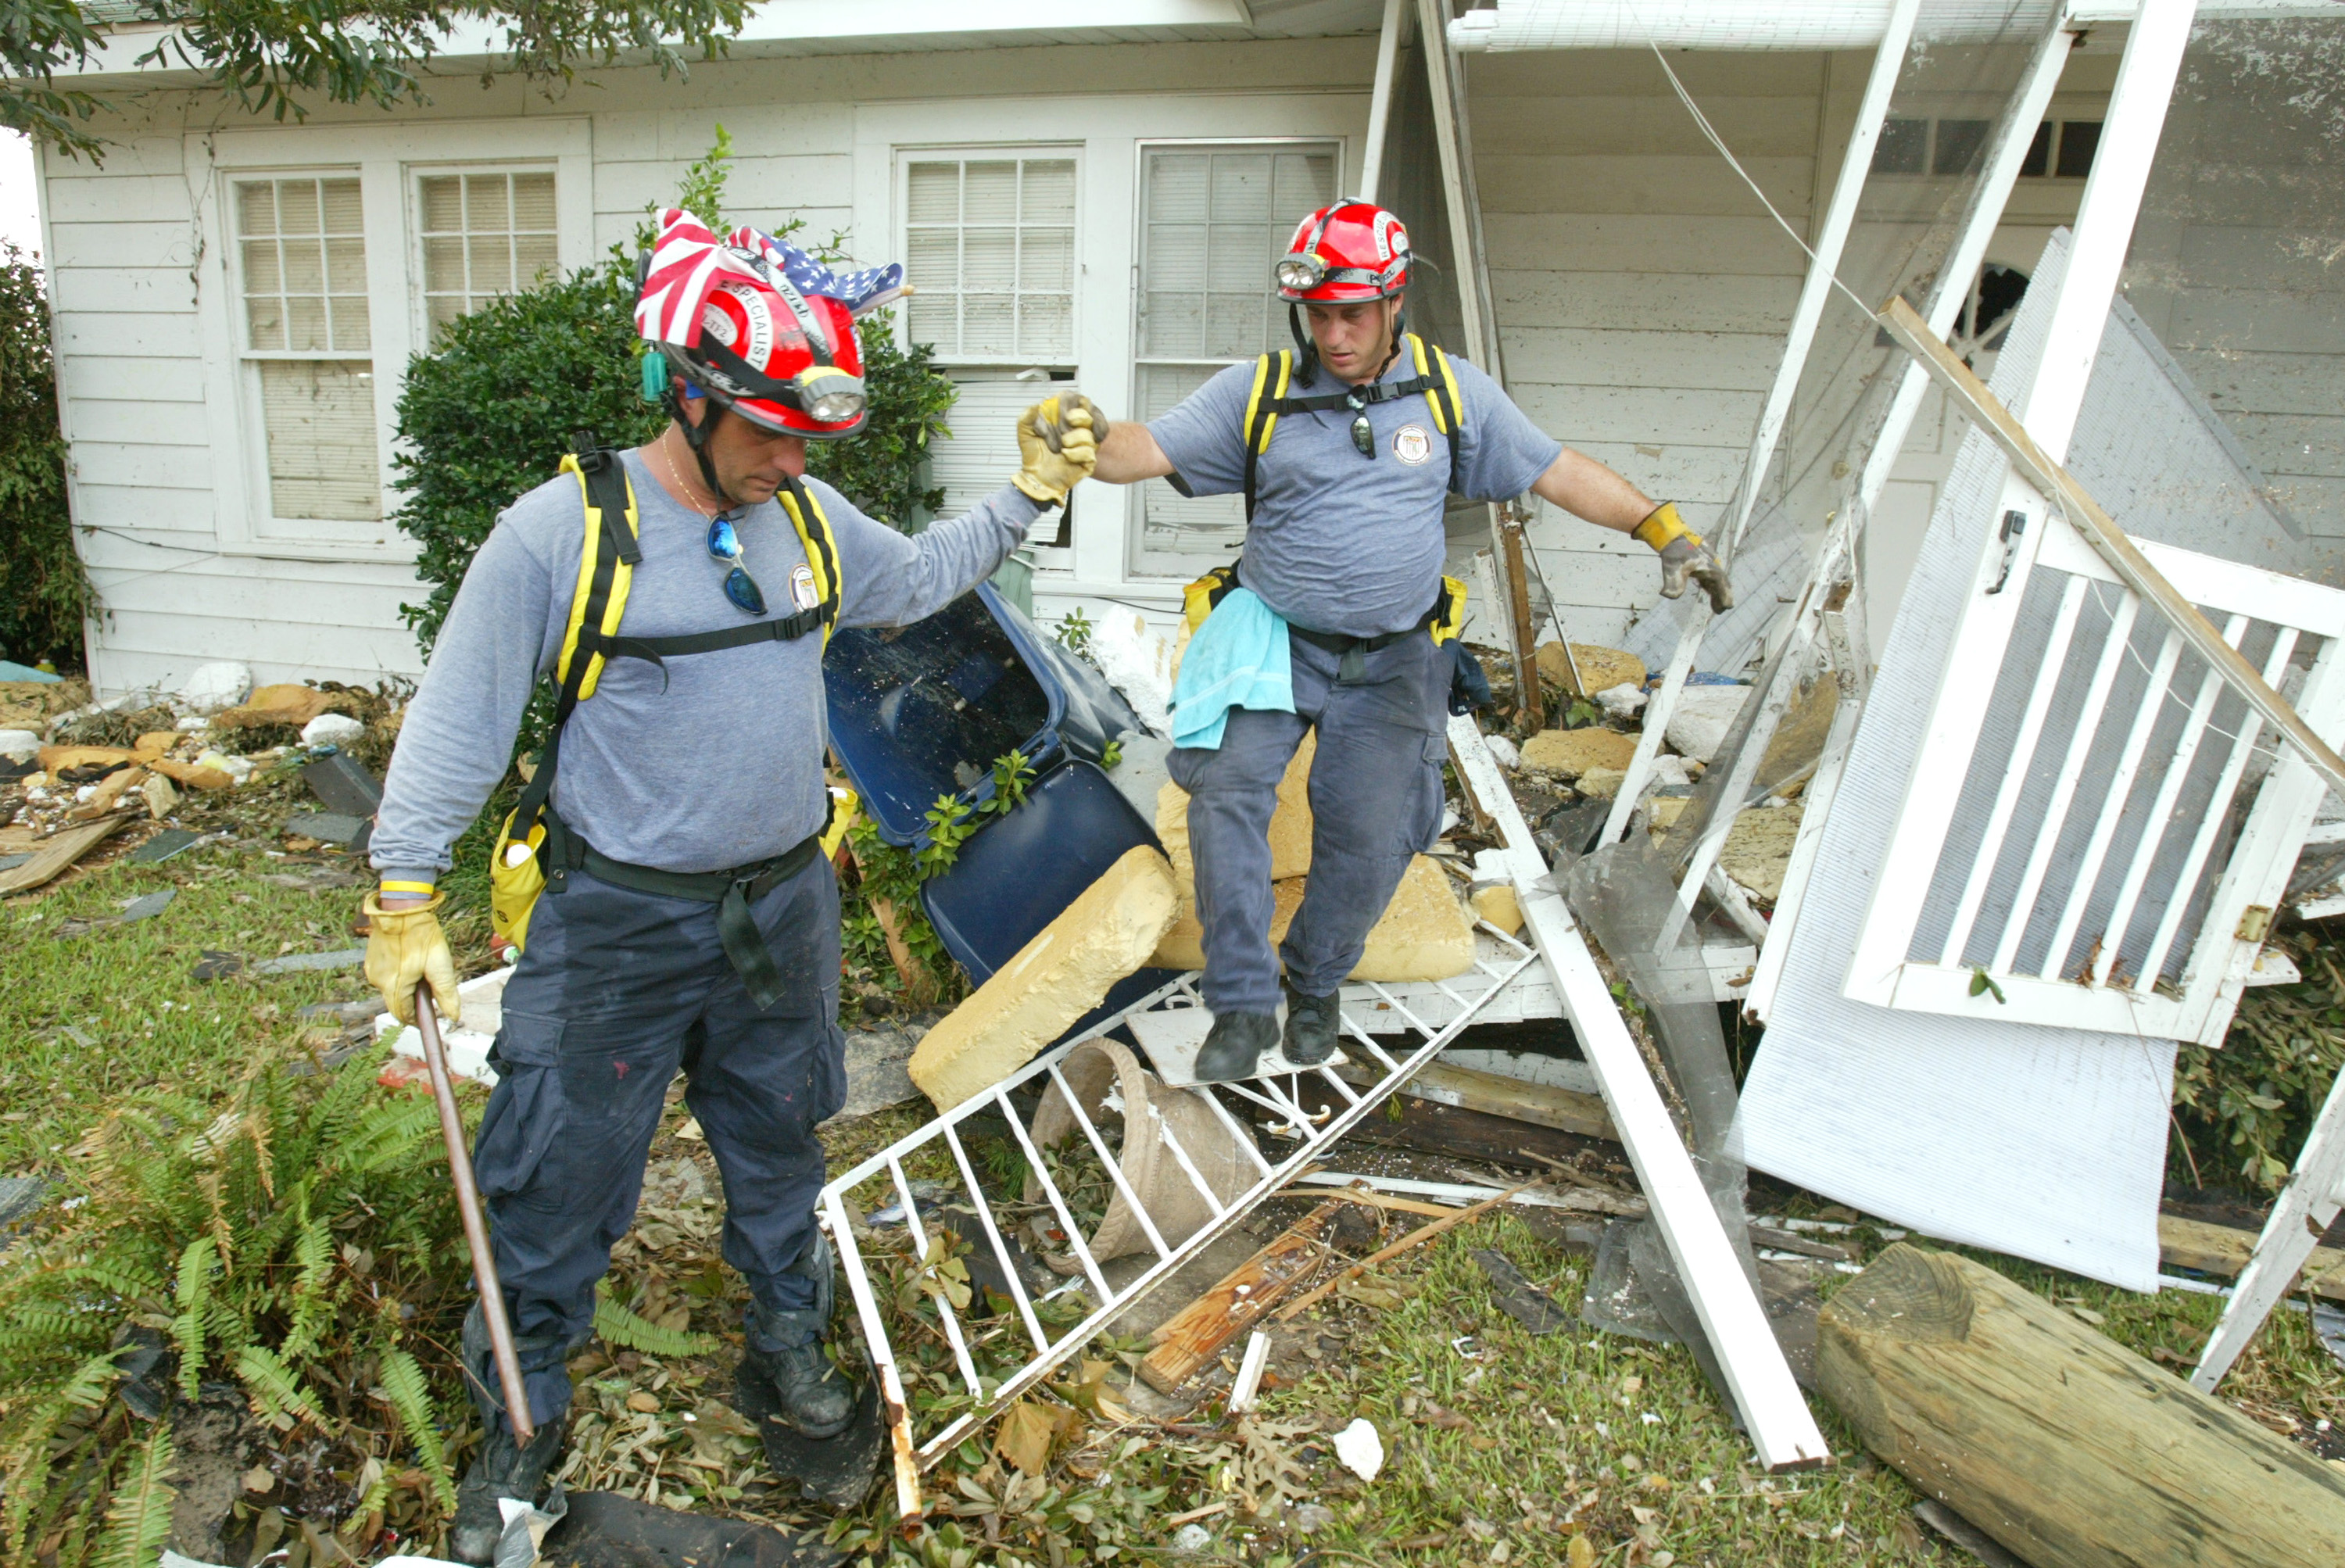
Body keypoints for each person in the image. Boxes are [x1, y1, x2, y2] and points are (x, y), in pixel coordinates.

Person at [361, 209, 1098, 1563]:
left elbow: (921, 580)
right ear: (687, 398)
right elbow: (461, 718)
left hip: (780, 906)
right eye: (765, 429)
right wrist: (405, 889)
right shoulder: (561, 535)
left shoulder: (804, 514)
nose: (790, 457)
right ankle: (520, 1435)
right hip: (617, 923)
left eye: (807, 436)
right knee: (555, 1177)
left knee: (777, 1140)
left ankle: (782, 1356)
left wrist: (1027, 500)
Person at [1083, 197, 1732, 1081]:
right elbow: (1144, 449)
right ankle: (1239, 1003)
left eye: (1354, 313)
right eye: (1319, 314)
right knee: (1228, 791)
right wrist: (1078, 439)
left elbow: (1554, 467)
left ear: (1394, 304)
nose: (1335, 333)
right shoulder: (1263, 390)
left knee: (1376, 830)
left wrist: (1663, 529)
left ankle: (1314, 981)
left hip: (1394, 658)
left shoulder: (1448, 390)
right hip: (1274, 637)